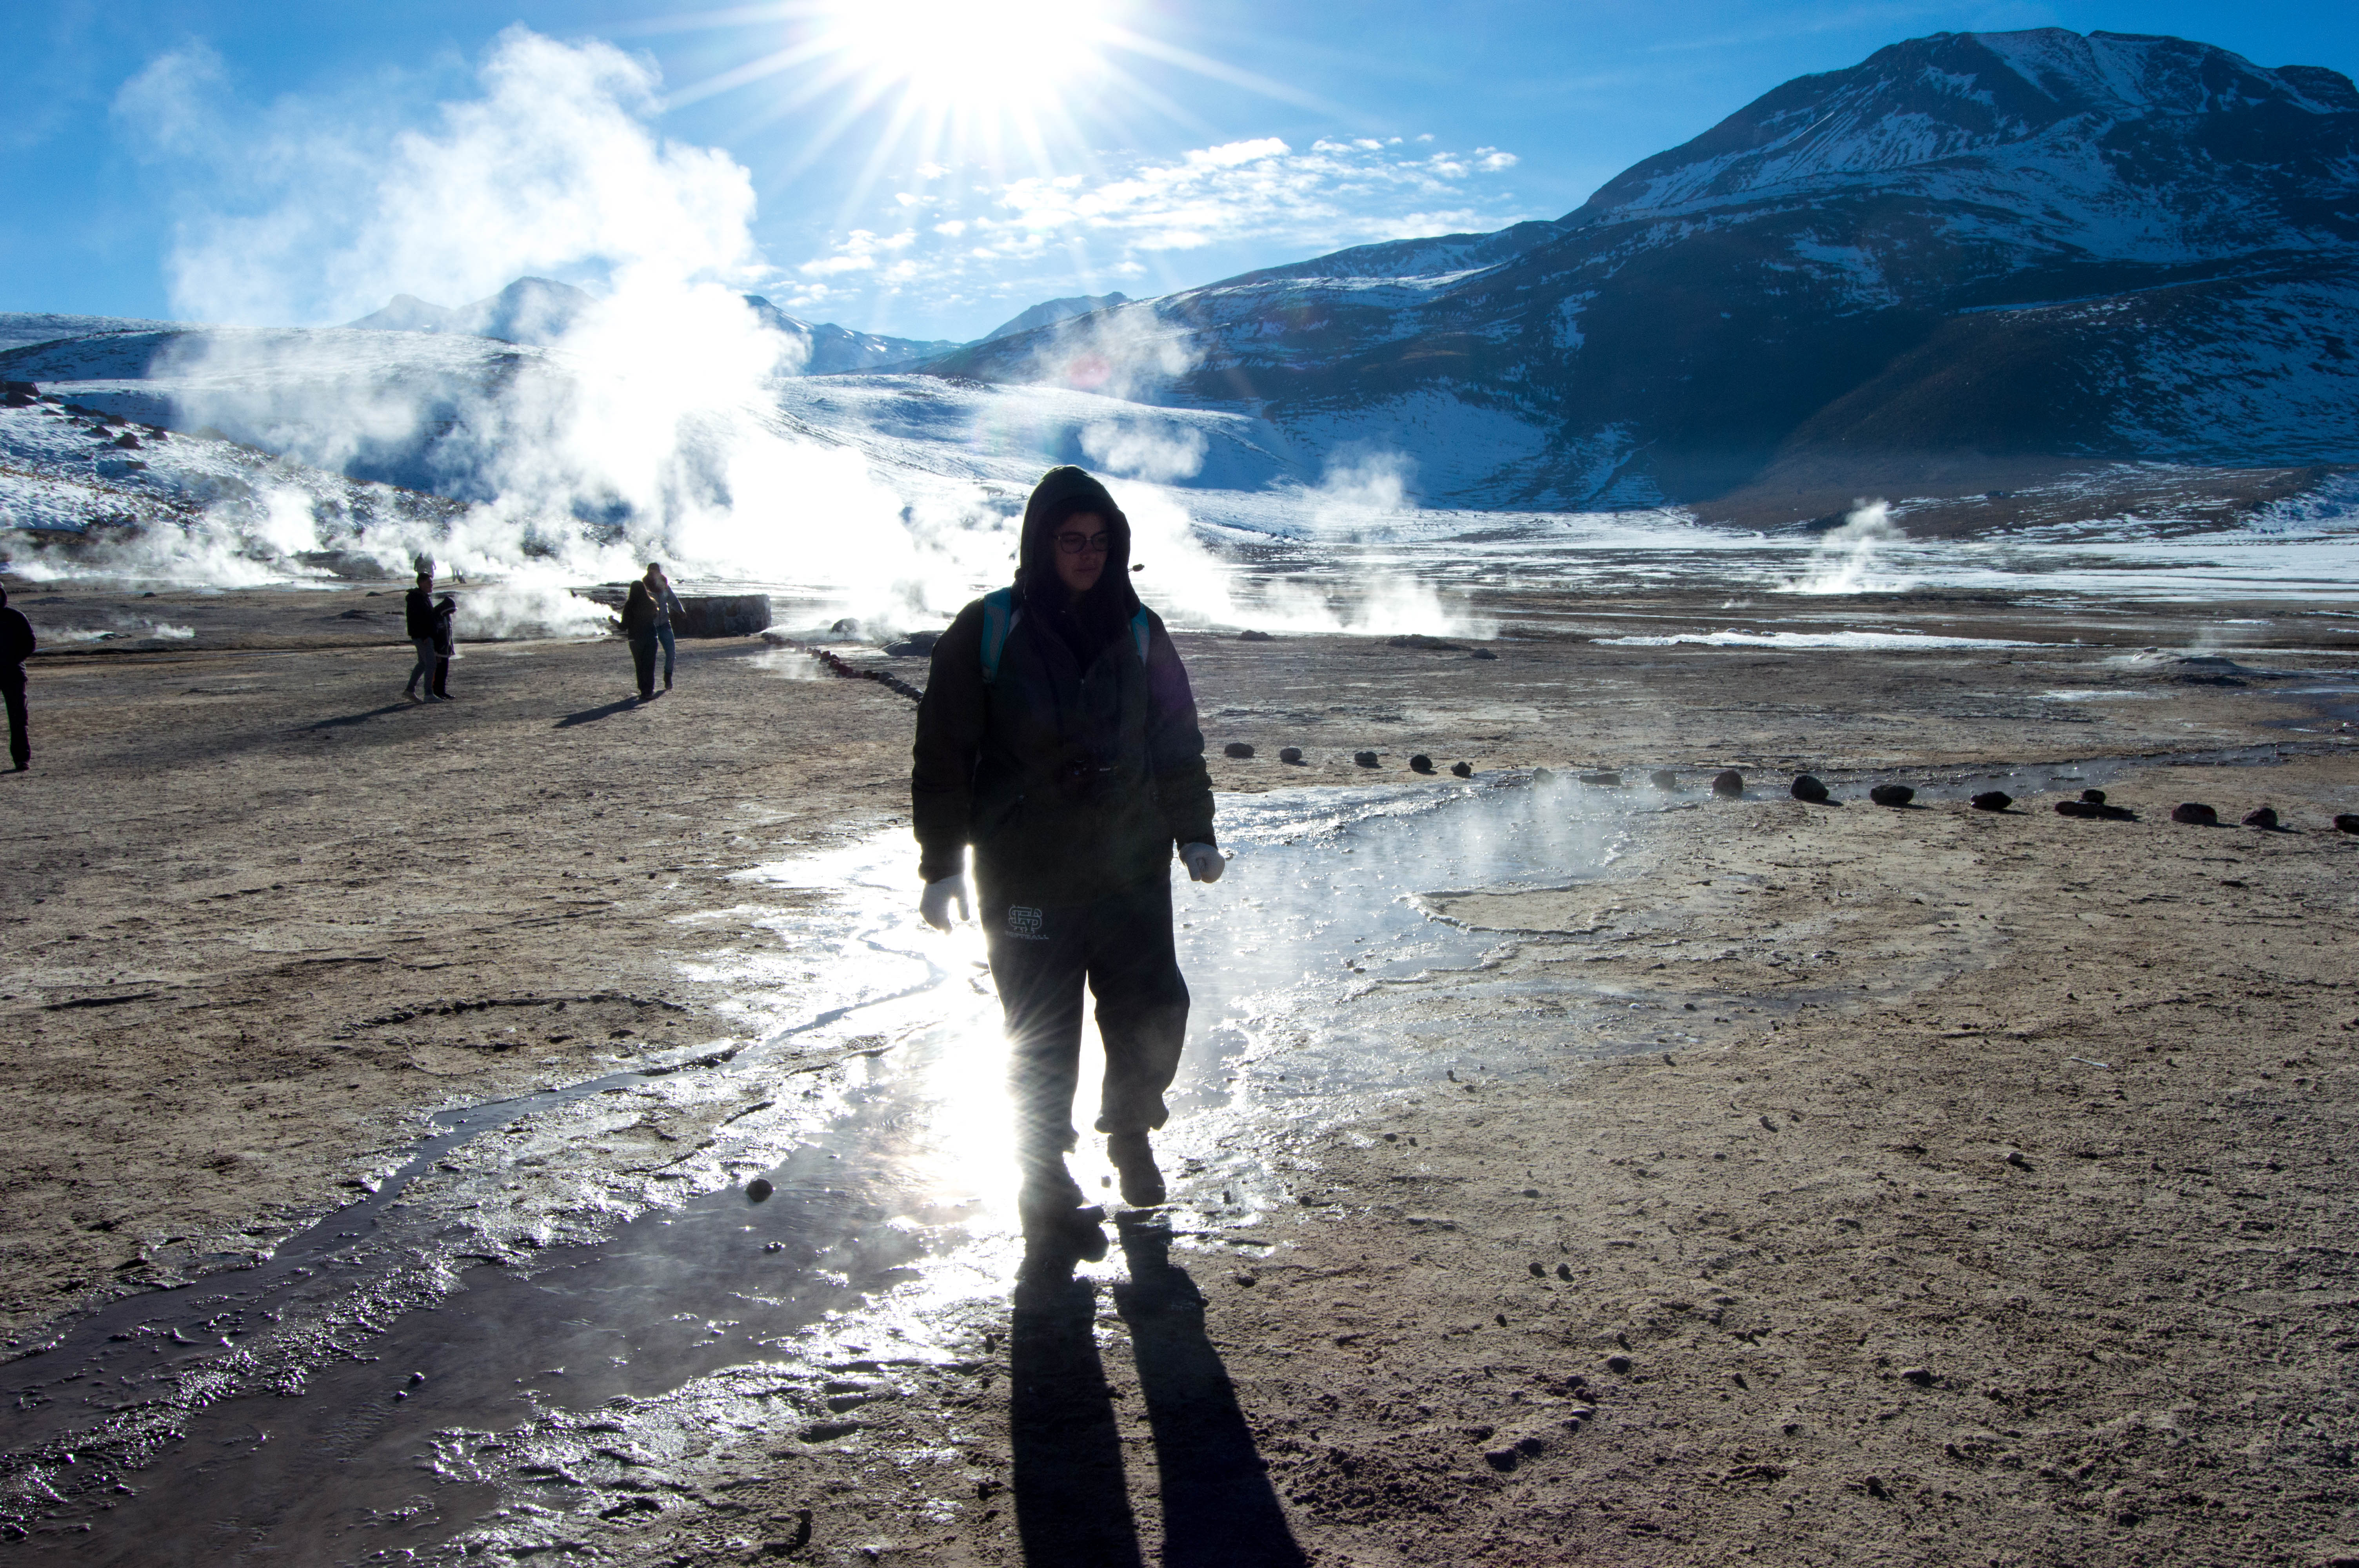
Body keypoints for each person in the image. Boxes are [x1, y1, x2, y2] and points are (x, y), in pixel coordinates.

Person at [911, 465, 1222, 1246]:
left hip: (1128, 866)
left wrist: (1194, 831)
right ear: (1040, 544)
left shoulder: (1140, 628)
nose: (1085, 554)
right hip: (1028, 871)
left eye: (1099, 540)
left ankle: (1129, 1131)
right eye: (1069, 539)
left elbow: (1175, 740)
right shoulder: (987, 628)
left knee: (1152, 1006)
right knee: (1041, 1028)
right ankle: (1044, 1180)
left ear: (1117, 546)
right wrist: (941, 862)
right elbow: (942, 752)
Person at [0, 584, 34, 771]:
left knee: (18, 719)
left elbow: (30, 643)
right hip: (13, 672)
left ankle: (22, 759)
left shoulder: (15, 617)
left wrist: (11, 661)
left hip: (13, 674)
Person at [644, 563, 686, 691]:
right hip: (651, 626)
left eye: (655, 572)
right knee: (650, 656)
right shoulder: (644, 587)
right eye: (651, 572)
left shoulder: (664, 585)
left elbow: (672, 600)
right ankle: (647, 684)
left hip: (665, 624)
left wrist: (681, 611)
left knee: (671, 653)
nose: (653, 574)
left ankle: (668, 676)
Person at [403, 568, 440, 701]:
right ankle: (429, 694)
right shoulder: (416, 599)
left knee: (423, 664)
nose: (432, 585)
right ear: (422, 583)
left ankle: (410, 690)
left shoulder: (422, 597)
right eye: (430, 583)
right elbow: (418, 619)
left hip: (423, 635)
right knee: (431, 664)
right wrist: (425, 636)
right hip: (422, 637)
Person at [621, 578, 660, 700]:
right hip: (651, 637)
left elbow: (624, 626)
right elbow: (655, 616)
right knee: (650, 665)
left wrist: (614, 622)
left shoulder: (630, 604)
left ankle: (643, 690)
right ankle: (649, 690)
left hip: (636, 639)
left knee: (640, 665)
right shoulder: (651, 603)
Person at [429, 592, 458, 701]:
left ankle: (442, 691)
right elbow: (435, 635)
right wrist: (436, 651)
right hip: (439, 650)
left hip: (446, 649)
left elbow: (449, 634)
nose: (453, 612)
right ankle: (436, 692)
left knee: (444, 672)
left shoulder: (446, 617)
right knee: (439, 672)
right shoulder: (436, 617)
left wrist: (451, 647)